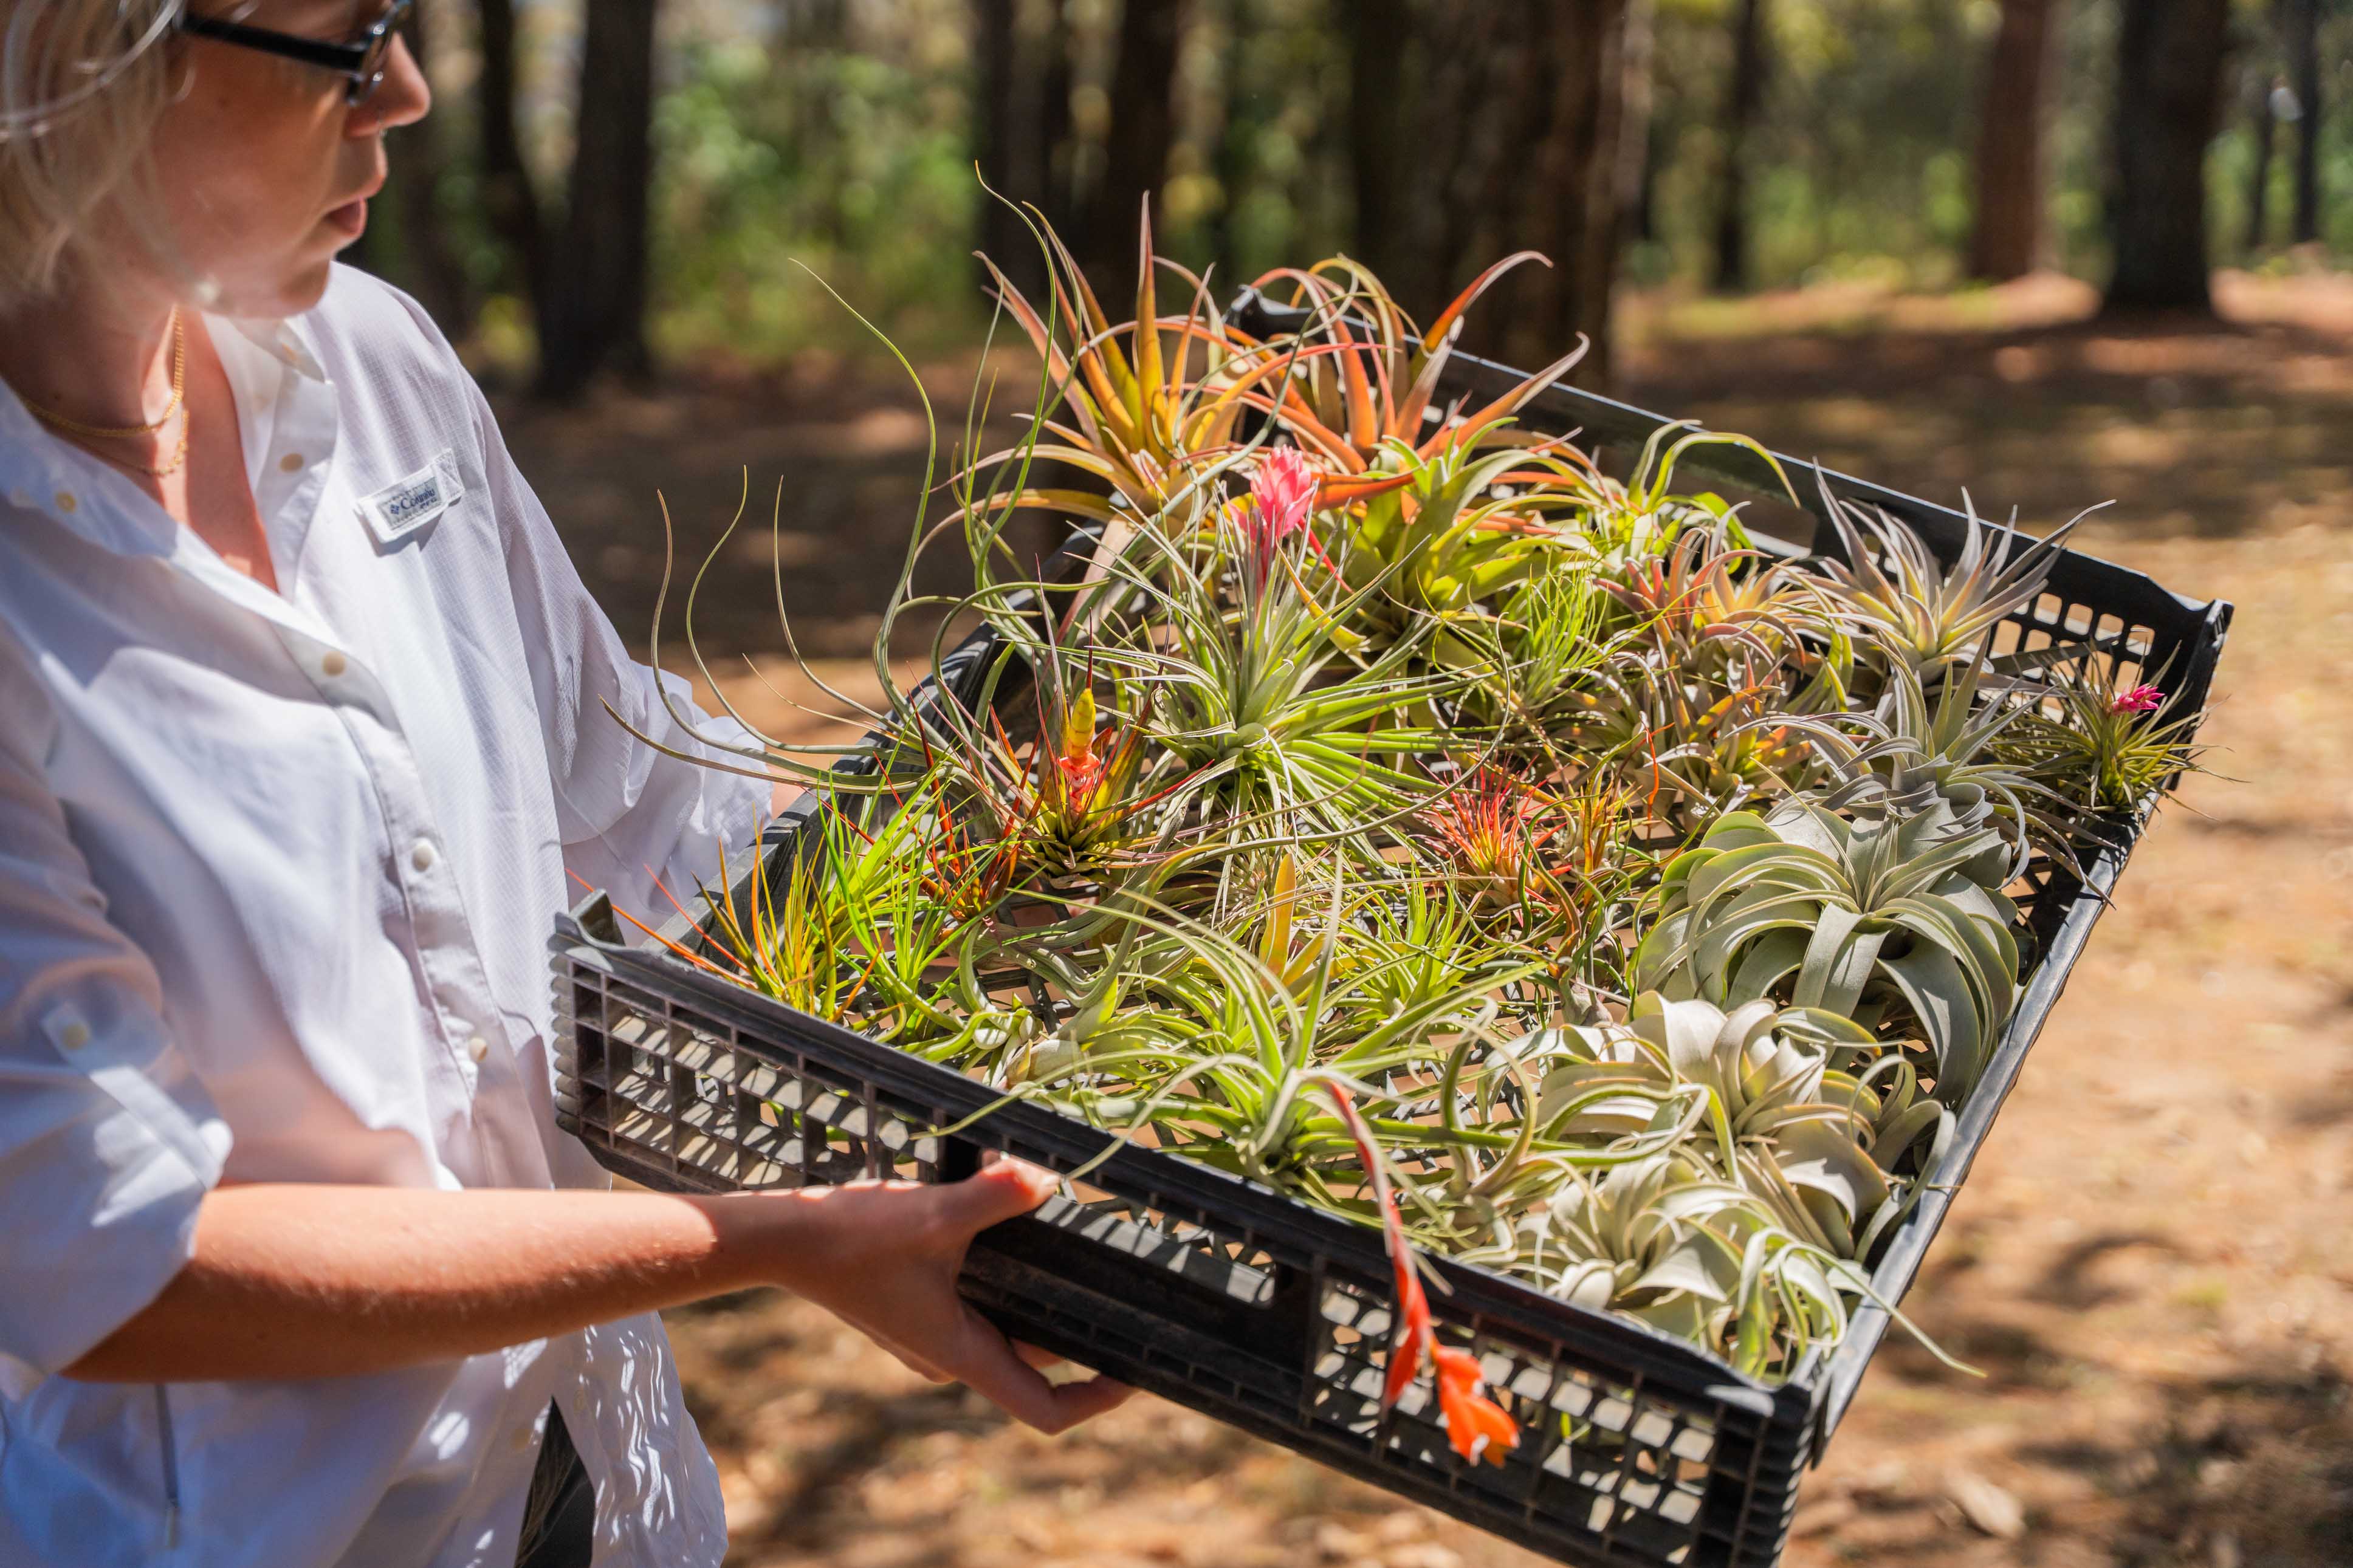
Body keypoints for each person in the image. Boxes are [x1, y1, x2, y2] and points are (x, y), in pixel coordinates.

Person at [0, 4, 1129, 1565]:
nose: (399, 93)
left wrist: (1043, 804)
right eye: (342, 39)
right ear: (79, 57)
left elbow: (647, 789)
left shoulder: (373, 363)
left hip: (602, 1493)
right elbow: (125, 1263)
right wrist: (760, 1244)